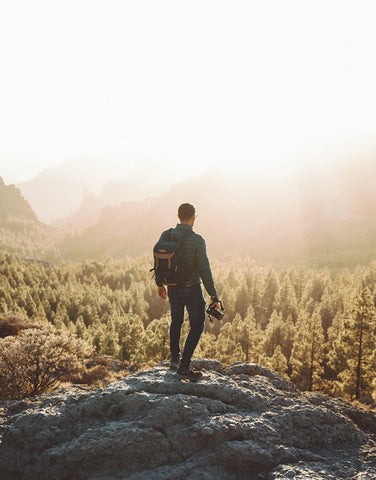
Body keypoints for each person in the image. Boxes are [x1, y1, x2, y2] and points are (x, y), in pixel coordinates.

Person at [156, 203, 220, 380]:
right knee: (197, 325)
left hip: (172, 287)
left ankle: (174, 360)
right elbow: (204, 269)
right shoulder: (197, 240)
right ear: (194, 218)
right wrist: (213, 294)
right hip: (192, 289)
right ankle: (184, 366)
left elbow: (158, 261)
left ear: (178, 216)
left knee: (176, 321)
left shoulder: (166, 235)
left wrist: (160, 284)